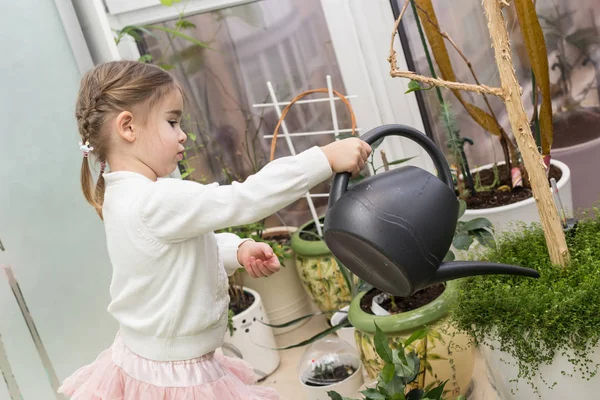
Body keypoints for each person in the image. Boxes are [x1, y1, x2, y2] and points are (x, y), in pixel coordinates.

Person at [59, 60, 371, 399]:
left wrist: (236, 250)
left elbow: (176, 254)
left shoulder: (123, 194)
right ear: (128, 127)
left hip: (145, 362)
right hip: (176, 379)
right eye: (172, 121)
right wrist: (324, 159)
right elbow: (245, 198)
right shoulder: (155, 199)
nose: (182, 135)